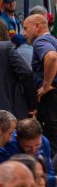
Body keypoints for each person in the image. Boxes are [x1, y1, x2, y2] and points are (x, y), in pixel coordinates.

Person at [23, 13, 57, 149]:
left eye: (26, 28)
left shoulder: (40, 41)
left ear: (37, 27)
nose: (24, 33)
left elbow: (52, 57)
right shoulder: (53, 40)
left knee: (52, 143)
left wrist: (46, 85)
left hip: (51, 99)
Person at [0, 118, 55, 187]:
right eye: (28, 147)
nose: (34, 150)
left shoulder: (44, 141)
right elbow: (15, 179)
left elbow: (48, 170)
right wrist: (52, 180)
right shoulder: (8, 146)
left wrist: (52, 180)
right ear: (18, 139)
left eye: (37, 145)